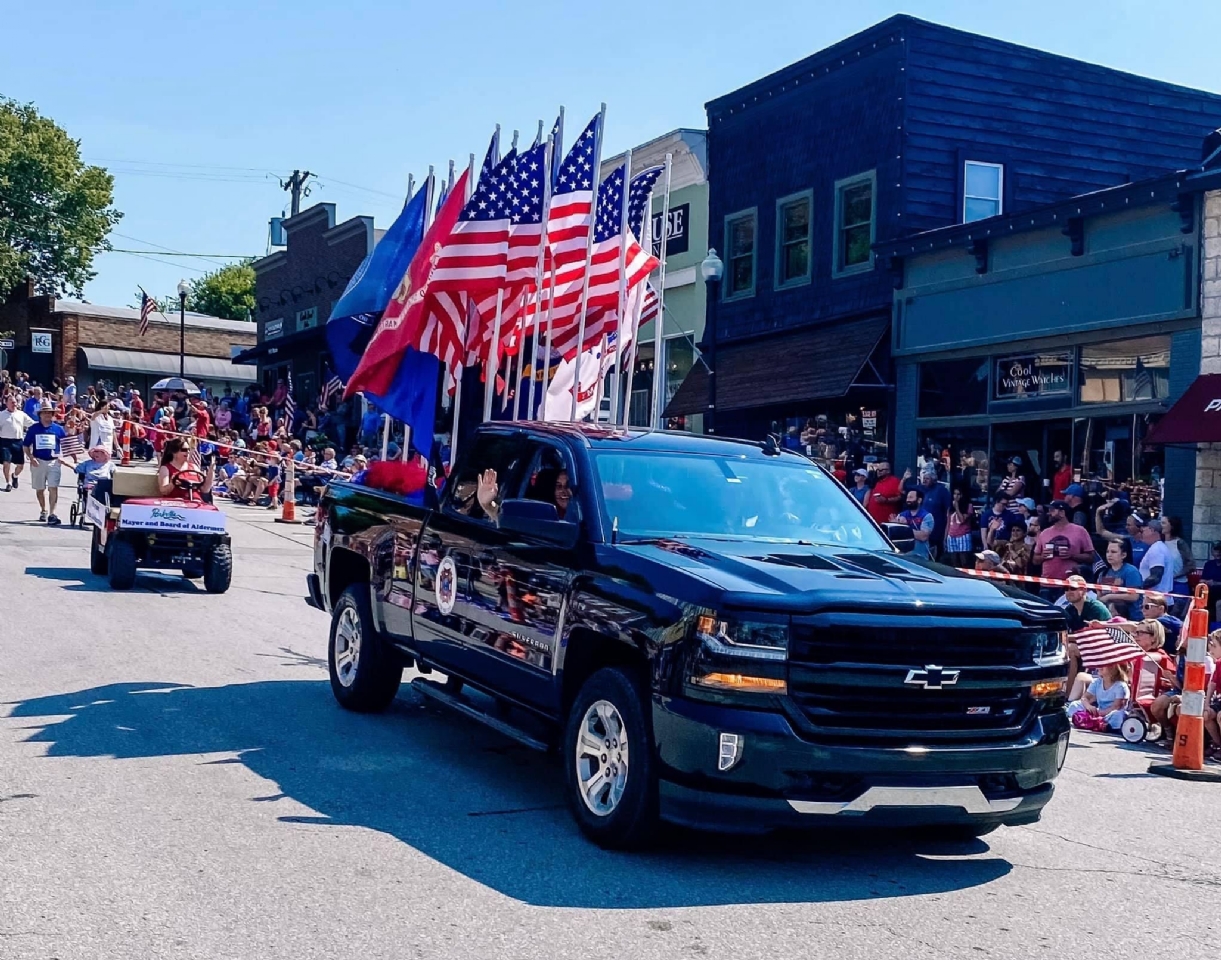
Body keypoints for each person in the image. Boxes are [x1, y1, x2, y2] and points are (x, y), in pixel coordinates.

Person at [1031, 500, 1095, 592]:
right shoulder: (1044, 533)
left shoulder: (1080, 531)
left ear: (1062, 512)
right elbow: (1035, 560)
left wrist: (1072, 555)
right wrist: (1042, 557)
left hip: (1070, 584)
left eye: (1052, 510)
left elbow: (1091, 557)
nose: (1049, 513)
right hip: (1047, 584)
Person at [23, 400, 66, 524]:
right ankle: (43, 510)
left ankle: (52, 514)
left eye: (50, 413)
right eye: (45, 412)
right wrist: (31, 457)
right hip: (38, 462)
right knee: (40, 489)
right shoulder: (34, 428)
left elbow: (66, 444)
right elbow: (26, 445)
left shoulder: (58, 429)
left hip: (54, 462)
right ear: (40, 414)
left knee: (53, 488)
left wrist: (67, 457)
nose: (47, 415)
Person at [1065, 661, 1131, 732]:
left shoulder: (1121, 686)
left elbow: (1116, 707)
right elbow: (1085, 698)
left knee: (1118, 715)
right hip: (1098, 712)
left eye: (1103, 664)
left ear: (1114, 668)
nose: (1099, 666)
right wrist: (1089, 707)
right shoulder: (1097, 682)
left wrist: (1099, 713)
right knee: (1074, 705)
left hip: (1109, 714)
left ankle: (1093, 722)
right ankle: (1096, 723)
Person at [1096, 539, 1144, 619]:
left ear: (1123, 555)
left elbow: (1134, 596)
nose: (1109, 555)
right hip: (1108, 618)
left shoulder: (1131, 571)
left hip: (1131, 618)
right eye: (1108, 551)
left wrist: (1109, 596)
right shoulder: (1102, 573)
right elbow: (1099, 597)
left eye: (1113, 552)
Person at [0, 393, 33, 492]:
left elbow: (32, 424)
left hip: (18, 442)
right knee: (6, 463)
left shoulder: (21, 414)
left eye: (15, 402)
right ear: (6, 403)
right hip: (5, 442)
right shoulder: (1, 415)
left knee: (20, 465)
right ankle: (8, 483)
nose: (14, 403)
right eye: (11, 402)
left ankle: (15, 476)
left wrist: (43, 422)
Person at [917, 465, 950, 559]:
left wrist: (946, 533)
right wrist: (904, 479)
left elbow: (949, 511)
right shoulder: (921, 489)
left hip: (937, 531)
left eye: (927, 478)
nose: (924, 480)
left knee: (935, 556)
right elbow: (902, 490)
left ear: (933, 478)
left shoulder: (942, 490)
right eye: (923, 478)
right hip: (922, 530)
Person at [1137, 519, 1174, 596]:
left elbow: (1155, 578)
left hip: (1155, 600)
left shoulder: (1156, 549)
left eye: (1143, 531)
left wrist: (1137, 588)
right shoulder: (1160, 547)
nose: (1141, 534)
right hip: (1159, 599)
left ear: (1152, 530)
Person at [896, 488, 934, 559]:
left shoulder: (927, 516)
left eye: (911, 497)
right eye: (907, 497)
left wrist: (905, 528)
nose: (908, 500)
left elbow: (923, 536)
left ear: (919, 500)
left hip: (920, 556)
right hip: (903, 555)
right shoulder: (901, 515)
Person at [944, 488, 975, 569]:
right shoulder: (950, 508)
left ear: (962, 495)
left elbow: (962, 520)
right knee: (954, 561)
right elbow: (948, 524)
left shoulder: (969, 506)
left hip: (963, 535)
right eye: (955, 494)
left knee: (964, 561)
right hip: (951, 535)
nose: (956, 496)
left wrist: (957, 507)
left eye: (958, 494)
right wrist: (945, 538)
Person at [864, 461, 901, 525]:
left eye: (881, 470)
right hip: (873, 521)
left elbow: (900, 497)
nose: (878, 472)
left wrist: (886, 500)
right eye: (877, 470)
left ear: (888, 471)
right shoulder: (877, 482)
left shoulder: (894, 481)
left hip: (886, 521)